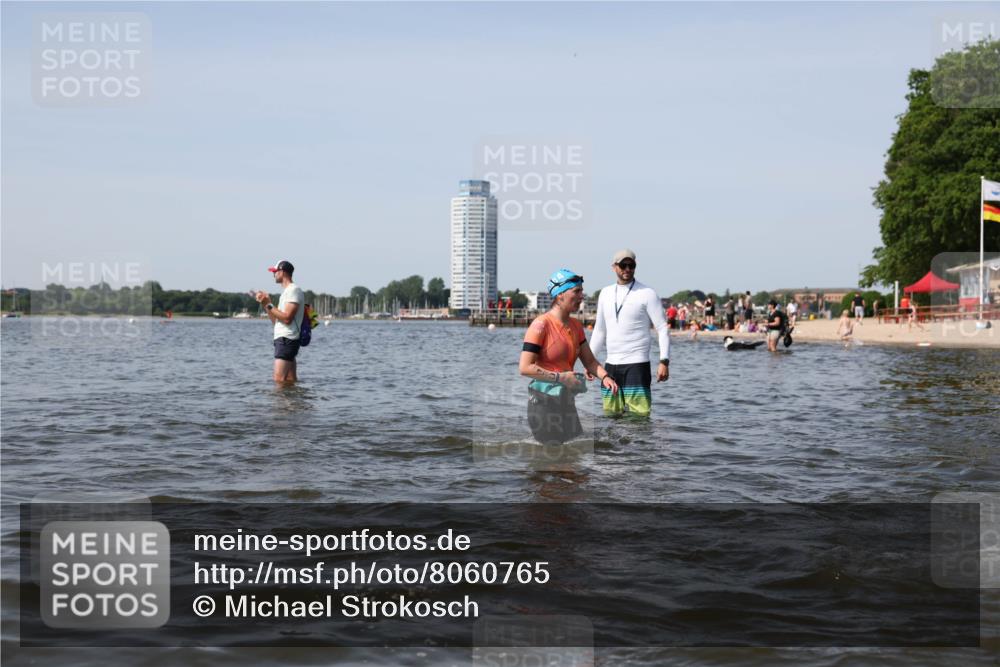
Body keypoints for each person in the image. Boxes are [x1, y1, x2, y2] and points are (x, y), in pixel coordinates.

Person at [519, 269, 619, 444]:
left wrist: (605, 377)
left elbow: (589, 361)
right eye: (577, 291)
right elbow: (525, 367)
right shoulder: (541, 325)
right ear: (560, 295)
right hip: (543, 403)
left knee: (574, 462)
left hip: (566, 400)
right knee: (557, 463)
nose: (582, 296)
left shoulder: (576, 326)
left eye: (582, 291)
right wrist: (561, 377)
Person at [588, 249, 671, 417]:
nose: (627, 269)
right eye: (623, 265)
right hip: (610, 366)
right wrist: (589, 361)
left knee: (638, 419)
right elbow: (599, 330)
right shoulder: (605, 293)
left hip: (637, 365)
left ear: (635, 266)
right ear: (614, 267)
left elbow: (662, 328)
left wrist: (664, 361)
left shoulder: (647, 293)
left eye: (631, 265)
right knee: (611, 418)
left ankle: (640, 445)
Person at [255, 260, 305, 383]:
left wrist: (269, 304)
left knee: (279, 380)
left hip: (287, 340)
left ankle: (280, 402)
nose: (273, 274)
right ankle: (293, 402)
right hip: (284, 339)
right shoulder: (286, 292)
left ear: (282, 272)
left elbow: (287, 318)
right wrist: (266, 304)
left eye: (275, 272)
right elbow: (276, 321)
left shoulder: (293, 290)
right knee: (289, 380)